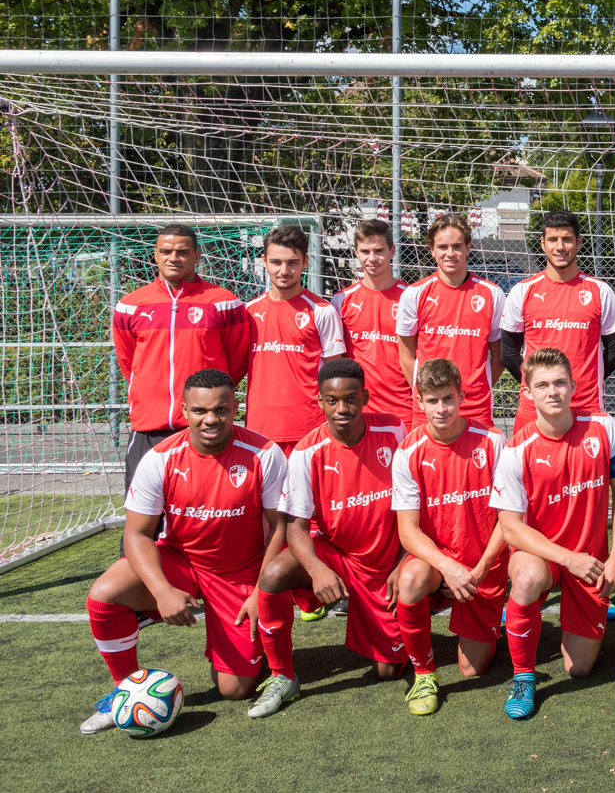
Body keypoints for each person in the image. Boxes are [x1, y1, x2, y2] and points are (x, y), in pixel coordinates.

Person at [79, 369, 287, 734]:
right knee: (105, 594)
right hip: (182, 561)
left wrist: (260, 591)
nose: (211, 419)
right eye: (200, 410)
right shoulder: (160, 458)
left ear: (235, 407)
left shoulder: (264, 454)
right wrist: (162, 590)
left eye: (221, 409)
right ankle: (125, 690)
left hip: (241, 571)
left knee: (235, 690)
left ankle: (248, 650)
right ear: (184, 410)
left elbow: (281, 528)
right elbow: (137, 534)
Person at [250, 359, 408, 717]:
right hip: (338, 554)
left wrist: (403, 561)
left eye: (351, 399)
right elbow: (295, 526)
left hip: (386, 562)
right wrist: (317, 569)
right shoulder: (306, 452)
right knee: (273, 573)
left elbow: (413, 505)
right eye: (332, 400)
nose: (342, 409)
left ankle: (404, 614)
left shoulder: (393, 430)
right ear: (319, 401)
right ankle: (282, 676)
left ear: (365, 397)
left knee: (388, 671)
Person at [490, 348, 615, 720]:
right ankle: (524, 676)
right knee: (526, 578)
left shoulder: (604, 428)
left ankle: (556, 615)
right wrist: (568, 559)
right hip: (544, 556)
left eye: (559, 383)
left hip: (591, 559)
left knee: (579, 668)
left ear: (573, 385)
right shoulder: (516, 449)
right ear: (527, 392)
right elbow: (510, 527)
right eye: (542, 385)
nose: (552, 392)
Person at [390, 358, 507, 715]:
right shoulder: (408, 452)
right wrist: (448, 567)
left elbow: (508, 519)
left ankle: (490, 625)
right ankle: (424, 674)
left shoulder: (493, 442)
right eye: (432, 400)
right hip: (438, 562)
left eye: (448, 398)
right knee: (410, 579)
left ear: (462, 397)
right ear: (419, 401)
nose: (441, 409)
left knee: (471, 669)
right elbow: (408, 530)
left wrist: (481, 568)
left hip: (482, 566)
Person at [112, 223, 250, 488]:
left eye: (182, 252)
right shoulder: (130, 305)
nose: (173, 258)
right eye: (166, 251)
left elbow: (236, 362)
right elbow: (129, 363)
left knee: (205, 504)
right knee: (145, 505)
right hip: (148, 428)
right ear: (155, 254)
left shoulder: (224, 303)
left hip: (204, 427)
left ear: (197, 256)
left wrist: (207, 397)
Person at [500, 209, 615, 435]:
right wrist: (537, 386)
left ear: (579, 242)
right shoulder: (522, 291)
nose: (560, 247)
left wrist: (585, 382)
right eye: (552, 239)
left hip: (585, 406)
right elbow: (508, 353)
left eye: (567, 239)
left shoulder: (600, 291)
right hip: (534, 409)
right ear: (542, 243)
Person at [245, 224, 347, 456]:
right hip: (259, 427)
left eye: (292, 262)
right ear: (264, 261)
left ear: (305, 262)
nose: (284, 270)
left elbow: (334, 375)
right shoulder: (249, 311)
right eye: (276, 262)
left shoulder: (322, 311)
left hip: (309, 428)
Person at [396, 213, 504, 429]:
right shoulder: (414, 294)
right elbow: (406, 356)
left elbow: (499, 355)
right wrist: (428, 395)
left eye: (457, 246)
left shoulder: (492, 294)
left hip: (476, 407)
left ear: (468, 247)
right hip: (430, 409)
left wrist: (478, 387)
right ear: (432, 249)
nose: (450, 253)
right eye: (443, 247)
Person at [331, 219, 414, 426]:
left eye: (379, 251)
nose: (372, 258)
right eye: (365, 251)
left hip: (405, 410)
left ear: (392, 251)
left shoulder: (412, 297)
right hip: (358, 411)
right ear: (356, 253)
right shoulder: (341, 300)